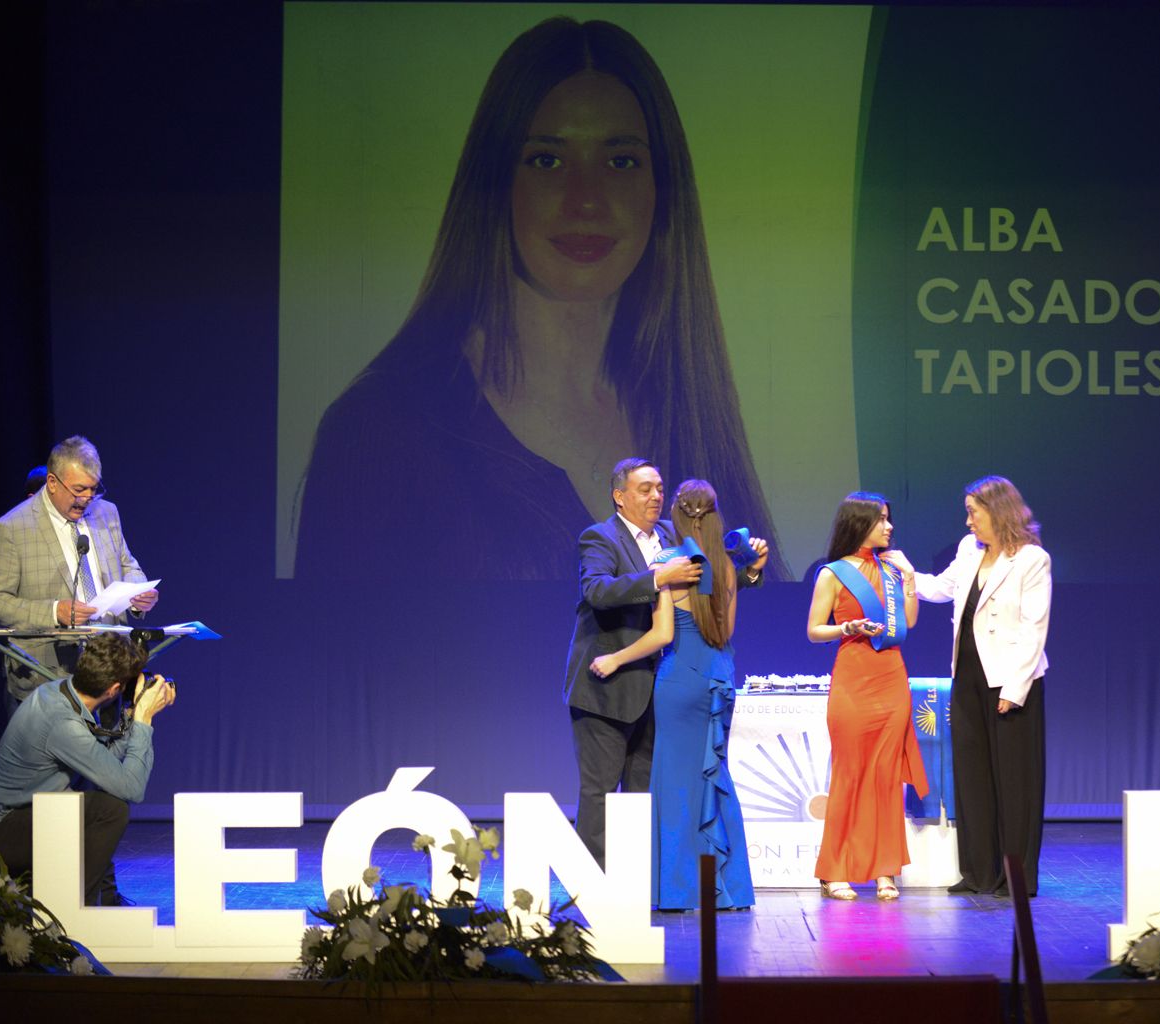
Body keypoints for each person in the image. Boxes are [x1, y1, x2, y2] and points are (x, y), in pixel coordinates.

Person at [296, 16, 785, 581]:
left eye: (620, 160)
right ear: (497, 184)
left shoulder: (691, 414)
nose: (586, 200)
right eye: (548, 160)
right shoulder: (381, 429)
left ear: (662, 191)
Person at [589, 479, 765, 910]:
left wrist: (616, 659)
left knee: (674, 786)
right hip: (719, 678)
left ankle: (677, 888)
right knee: (714, 779)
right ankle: (728, 888)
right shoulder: (725, 564)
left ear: (678, 516)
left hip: (679, 682)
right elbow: (727, 632)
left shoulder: (669, 561)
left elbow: (662, 634)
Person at [907, 475, 1051, 897]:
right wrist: (902, 571)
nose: (968, 521)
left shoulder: (1031, 560)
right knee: (971, 776)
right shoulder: (969, 551)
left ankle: (1014, 877)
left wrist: (1014, 688)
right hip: (968, 677)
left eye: (974, 512)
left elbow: (1033, 629)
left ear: (998, 511)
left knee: (1014, 782)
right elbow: (939, 588)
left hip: (1010, 682)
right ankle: (977, 873)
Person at [0, 633, 176, 905]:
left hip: (21, 817)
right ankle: (79, 909)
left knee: (99, 803)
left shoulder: (60, 692)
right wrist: (144, 721)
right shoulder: (63, 723)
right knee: (111, 810)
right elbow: (131, 789)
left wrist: (129, 717)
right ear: (114, 689)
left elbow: (104, 763)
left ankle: (98, 898)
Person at [805, 491, 926, 900]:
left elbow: (907, 621)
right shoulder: (833, 574)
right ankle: (834, 869)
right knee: (851, 774)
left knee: (886, 779)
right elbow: (814, 630)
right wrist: (848, 628)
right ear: (860, 524)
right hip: (854, 680)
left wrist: (909, 578)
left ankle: (884, 871)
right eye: (882, 520)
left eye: (889, 519)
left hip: (891, 678)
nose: (889, 527)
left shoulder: (891, 570)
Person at [0, 436, 159, 705]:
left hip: (110, 672)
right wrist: (54, 611)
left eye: (93, 489)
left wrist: (138, 594)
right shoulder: (12, 529)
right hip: (47, 681)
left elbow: (127, 565)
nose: (87, 499)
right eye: (79, 490)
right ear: (52, 483)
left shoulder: (107, 513)